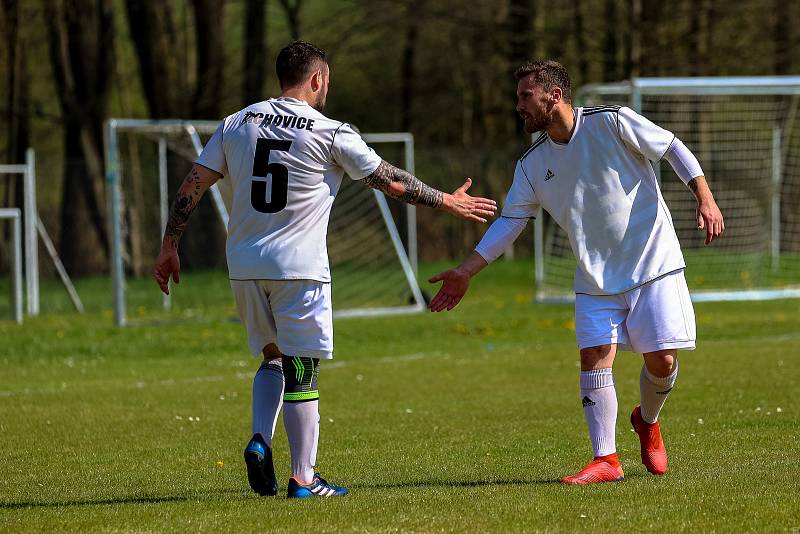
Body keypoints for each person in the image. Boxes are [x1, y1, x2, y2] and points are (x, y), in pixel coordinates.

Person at [152, 41, 495, 498]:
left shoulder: (237, 122)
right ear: (317, 79)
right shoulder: (330, 131)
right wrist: (444, 199)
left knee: (272, 356)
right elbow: (391, 181)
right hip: (299, 267)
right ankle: (304, 479)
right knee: (303, 370)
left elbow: (192, 184)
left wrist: (169, 245)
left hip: (244, 266)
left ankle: (260, 437)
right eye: (327, 80)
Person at [429, 60, 724, 485]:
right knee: (593, 356)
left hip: (653, 263)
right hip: (595, 278)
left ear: (554, 95)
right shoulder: (531, 165)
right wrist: (466, 270)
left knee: (662, 361)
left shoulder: (613, 122)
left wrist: (705, 197)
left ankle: (647, 419)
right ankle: (606, 459)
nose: (518, 106)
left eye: (524, 96)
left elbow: (673, 147)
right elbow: (511, 222)